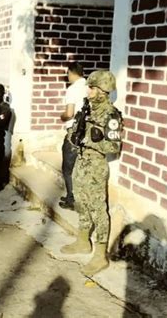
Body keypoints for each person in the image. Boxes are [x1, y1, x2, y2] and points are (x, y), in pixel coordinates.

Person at [60, 70, 123, 276]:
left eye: (92, 88)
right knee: (81, 202)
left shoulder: (111, 115)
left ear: (102, 91)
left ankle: (100, 254)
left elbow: (114, 147)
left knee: (98, 208)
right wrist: (74, 135)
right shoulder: (88, 110)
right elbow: (76, 134)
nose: (88, 91)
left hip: (96, 166)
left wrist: (92, 140)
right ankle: (82, 240)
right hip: (81, 162)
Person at [59, 62, 87, 210]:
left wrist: (62, 116)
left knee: (67, 168)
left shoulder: (72, 89)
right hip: (87, 133)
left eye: (67, 74)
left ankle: (71, 199)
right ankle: (77, 196)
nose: (67, 77)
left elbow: (69, 113)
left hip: (74, 133)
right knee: (81, 167)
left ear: (71, 72)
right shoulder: (89, 87)